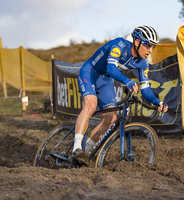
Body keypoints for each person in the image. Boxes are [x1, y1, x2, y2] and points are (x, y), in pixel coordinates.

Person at [71, 25, 168, 164]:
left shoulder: (143, 63)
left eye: (153, 47)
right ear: (137, 42)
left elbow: (145, 88)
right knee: (91, 104)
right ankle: (76, 148)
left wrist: (156, 101)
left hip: (105, 80)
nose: (150, 50)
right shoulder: (119, 45)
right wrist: (127, 81)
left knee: (111, 118)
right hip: (90, 73)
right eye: (147, 45)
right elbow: (111, 68)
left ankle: (84, 152)